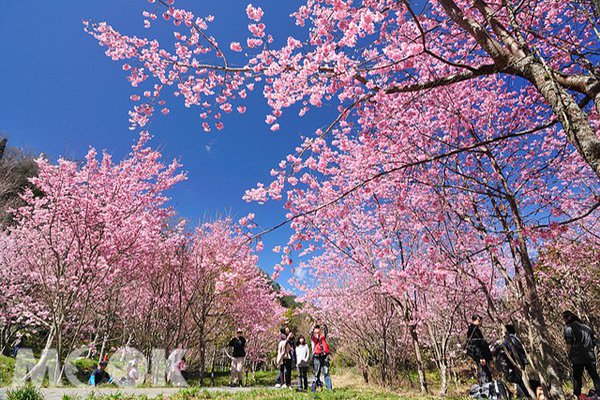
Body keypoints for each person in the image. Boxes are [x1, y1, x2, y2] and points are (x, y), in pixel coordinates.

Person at [563, 310, 600, 399]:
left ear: (568, 318)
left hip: (577, 357)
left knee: (577, 377)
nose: (563, 320)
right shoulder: (586, 327)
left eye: (564, 318)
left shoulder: (568, 327)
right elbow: (594, 341)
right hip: (590, 356)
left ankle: (577, 395)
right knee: (594, 376)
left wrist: (569, 354)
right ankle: (599, 394)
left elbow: (569, 342)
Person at [493, 325, 529, 398]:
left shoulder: (508, 340)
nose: (502, 333)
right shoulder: (516, 338)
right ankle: (525, 395)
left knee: (519, 381)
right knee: (521, 381)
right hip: (521, 362)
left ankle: (525, 396)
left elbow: (505, 351)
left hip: (514, 364)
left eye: (503, 331)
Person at [466, 315, 493, 385]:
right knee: (484, 372)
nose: (480, 322)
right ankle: (486, 388)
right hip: (481, 355)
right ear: (474, 320)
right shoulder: (473, 330)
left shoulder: (476, 329)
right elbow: (475, 345)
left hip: (482, 354)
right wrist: (481, 357)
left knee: (485, 372)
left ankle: (487, 387)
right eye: (478, 320)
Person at [311, 324, 332, 391]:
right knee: (316, 373)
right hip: (317, 356)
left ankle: (329, 389)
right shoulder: (314, 338)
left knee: (326, 373)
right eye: (316, 332)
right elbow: (311, 333)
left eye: (318, 331)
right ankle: (313, 389)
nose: (317, 333)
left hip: (324, 356)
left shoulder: (322, 337)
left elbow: (326, 332)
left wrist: (324, 325)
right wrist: (313, 327)